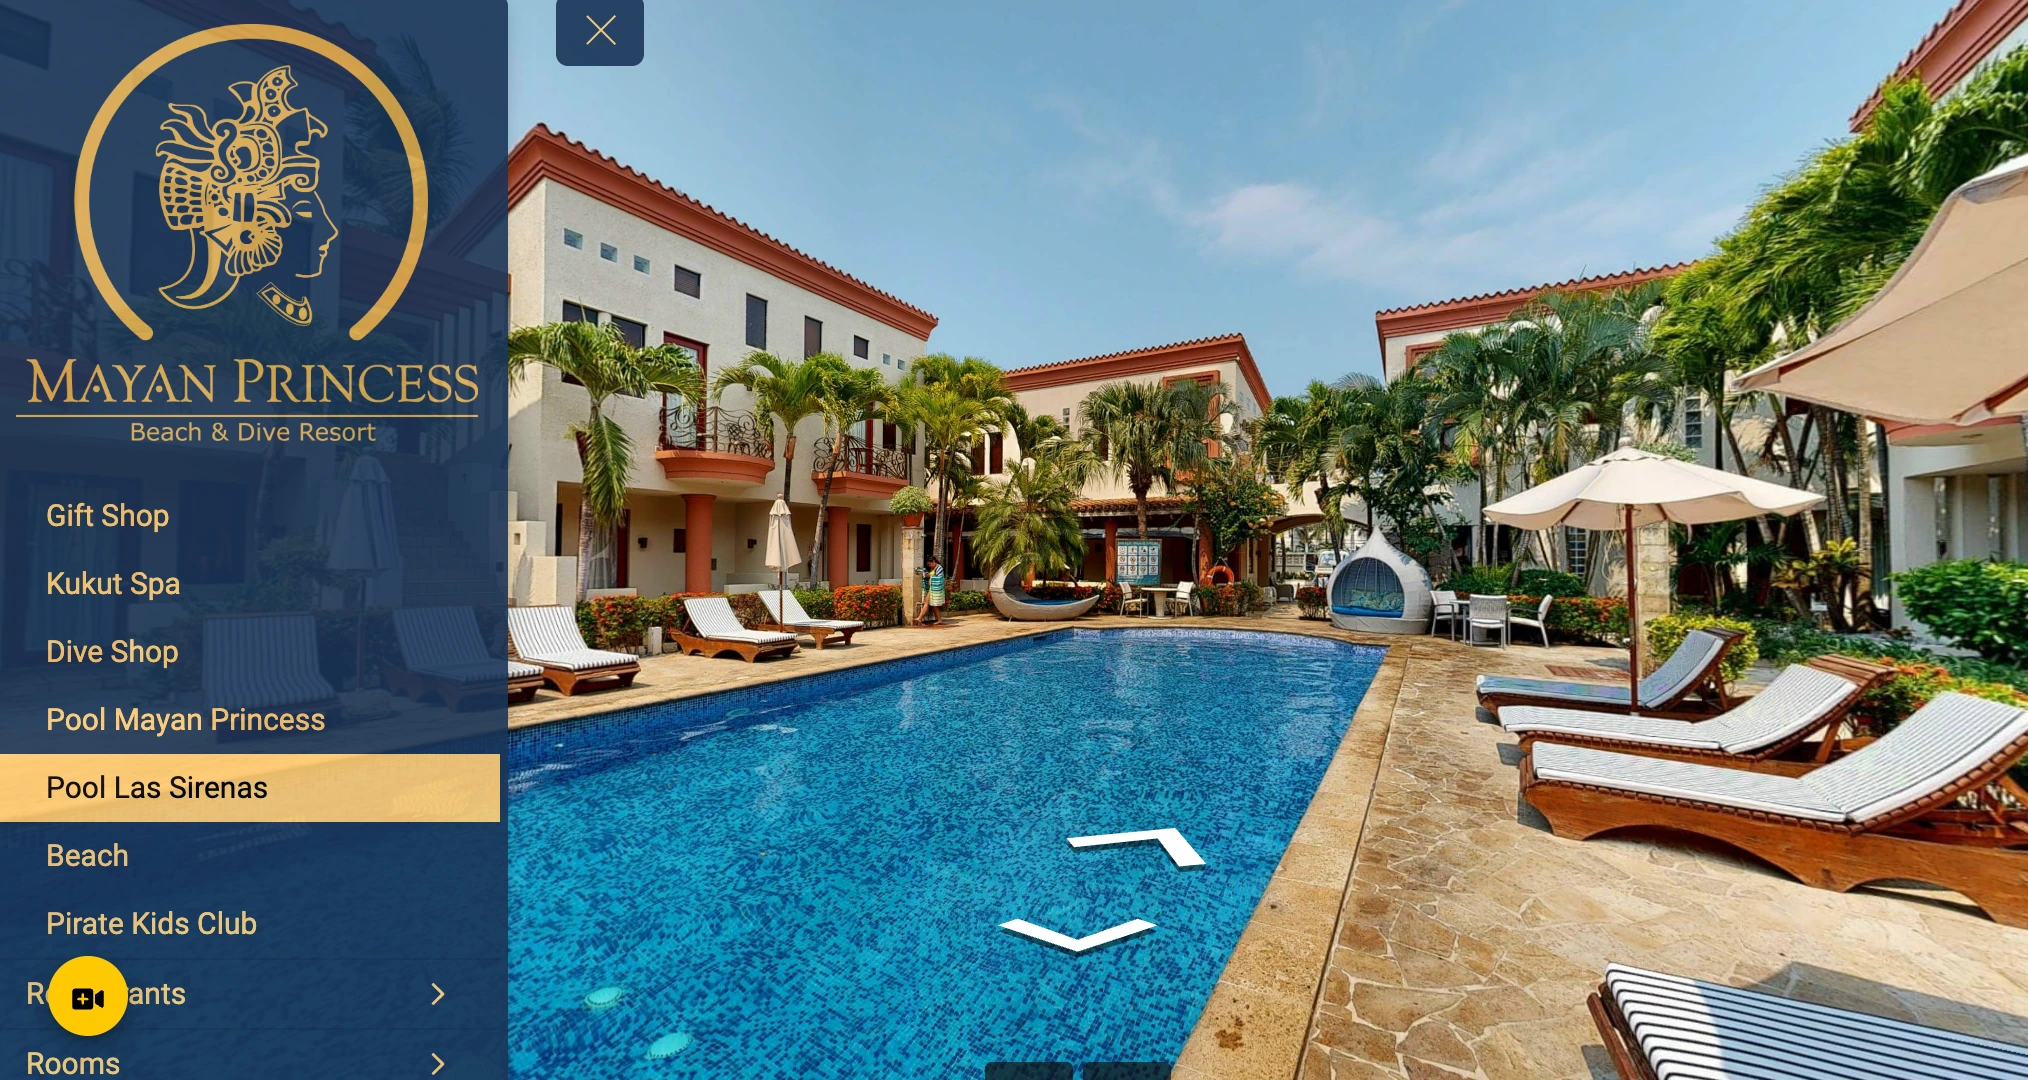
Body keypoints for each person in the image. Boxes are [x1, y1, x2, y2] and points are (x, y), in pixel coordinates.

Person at [915, 555, 946, 626]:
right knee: (933, 605)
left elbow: (937, 577)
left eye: (930, 564)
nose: (929, 566)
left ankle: (919, 618)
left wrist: (928, 575)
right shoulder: (933, 568)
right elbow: (930, 575)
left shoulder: (939, 568)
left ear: (934, 561)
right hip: (932, 588)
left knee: (927, 602)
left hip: (936, 589)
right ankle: (939, 620)